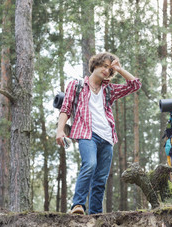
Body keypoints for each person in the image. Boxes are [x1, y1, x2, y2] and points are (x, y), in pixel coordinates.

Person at [56, 52, 141, 214]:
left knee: (101, 179)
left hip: (107, 138)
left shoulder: (109, 89)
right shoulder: (77, 85)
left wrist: (120, 69)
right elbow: (65, 108)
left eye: (109, 68)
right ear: (95, 65)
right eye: (104, 65)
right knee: (89, 164)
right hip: (87, 134)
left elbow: (135, 85)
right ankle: (78, 205)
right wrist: (60, 130)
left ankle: (95, 215)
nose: (106, 70)